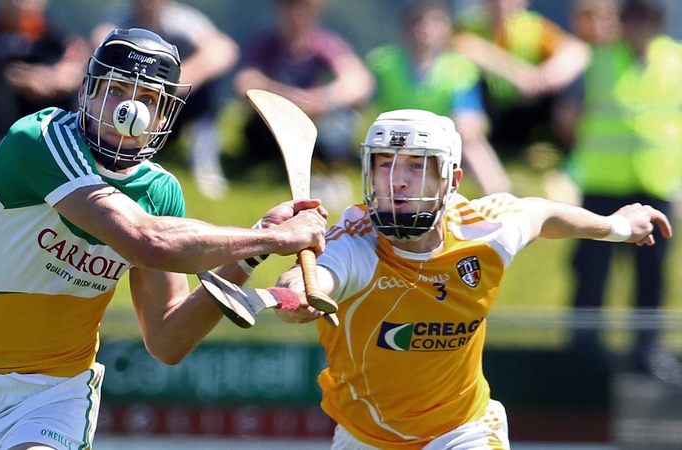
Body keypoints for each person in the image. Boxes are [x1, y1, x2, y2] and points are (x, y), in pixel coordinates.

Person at [0, 28, 327, 450]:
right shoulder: (41, 141)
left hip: (51, 396)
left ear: (165, 117)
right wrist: (275, 241)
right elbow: (144, 240)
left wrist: (258, 244)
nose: (130, 111)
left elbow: (168, 338)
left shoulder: (159, 194)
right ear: (88, 92)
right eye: (116, 90)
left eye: (148, 99)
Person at [269, 109, 672, 449]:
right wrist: (298, 297)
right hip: (366, 436)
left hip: (463, 429)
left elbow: (543, 214)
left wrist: (616, 226)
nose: (398, 181)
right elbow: (308, 282)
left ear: (452, 181)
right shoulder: (353, 244)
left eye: (415, 164)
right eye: (385, 164)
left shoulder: (485, 230)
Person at [553, 0, 682, 383]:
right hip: (603, 187)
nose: (638, 27)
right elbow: (569, 117)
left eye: (646, 19)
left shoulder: (674, 61)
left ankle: (648, 350)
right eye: (632, 19)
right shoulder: (599, 60)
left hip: (654, 187)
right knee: (591, 273)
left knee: (652, 276)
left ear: (658, 23)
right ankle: (582, 349)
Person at [232, 0, 374, 208]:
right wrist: (290, 98)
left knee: (336, 129)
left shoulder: (324, 45)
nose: (296, 15)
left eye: (303, 9)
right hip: (275, 121)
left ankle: (325, 173)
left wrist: (322, 99)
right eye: (290, 8)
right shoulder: (266, 45)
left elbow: (359, 82)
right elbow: (244, 82)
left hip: (315, 120)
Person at [92, 0, 239, 200]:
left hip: (167, 109)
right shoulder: (119, 19)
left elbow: (223, 50)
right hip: (122, 108)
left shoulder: (181, 20)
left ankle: (205, 164)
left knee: (208, 90)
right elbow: (100, 44)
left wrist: (172, 84)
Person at [366, 0, 510, 196]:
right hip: (394, 139)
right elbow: (363, 97)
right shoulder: (383, 64)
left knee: (473, 143)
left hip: (439, 142)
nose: (425, 30)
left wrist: (471, 125)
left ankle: (499, 195)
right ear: (405, 29)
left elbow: (473, 116)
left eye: (434, 24)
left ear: (446, 30)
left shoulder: (459, 68)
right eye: (418, 23)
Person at [451, 0, 590, 201]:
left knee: (569, 105)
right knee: (467, 125)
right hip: (489, 113)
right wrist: (517, 74)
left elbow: (577, 52)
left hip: (530, 116)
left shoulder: (534, 28)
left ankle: (562, 172)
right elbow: (463, 46)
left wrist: (544, 77)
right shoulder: (470, 27)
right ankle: (498, 192)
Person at [0, 0, 90, 152]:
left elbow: (75, 49)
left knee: (71, 84)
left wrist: (58, 74)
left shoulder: (45, 27)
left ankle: (67, 140)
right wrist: (25, 77)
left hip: (30, 102)